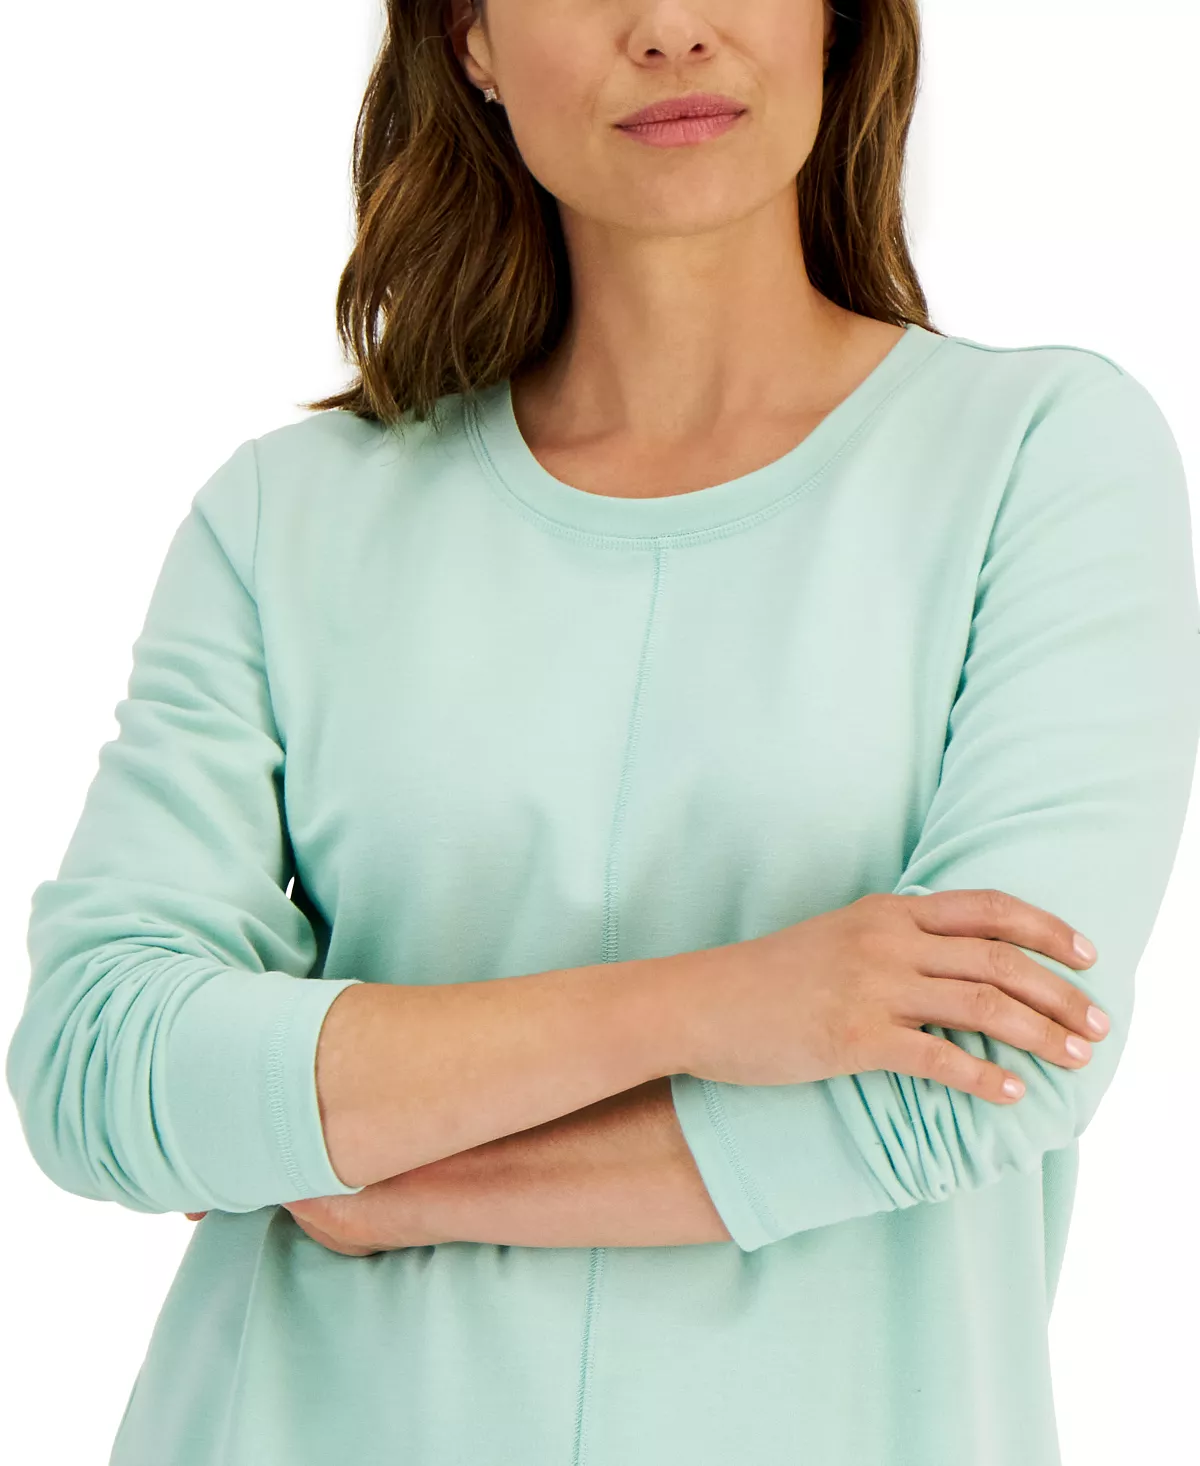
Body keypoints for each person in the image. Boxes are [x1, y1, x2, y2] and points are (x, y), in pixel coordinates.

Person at [6, 0, 1199, 1462]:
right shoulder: (286, 514)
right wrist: (719, 1002)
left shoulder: (1040, 457)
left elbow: (981, 1071)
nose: (671, 28)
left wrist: (378, 1171)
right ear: (471, 39)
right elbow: (102, 1068)